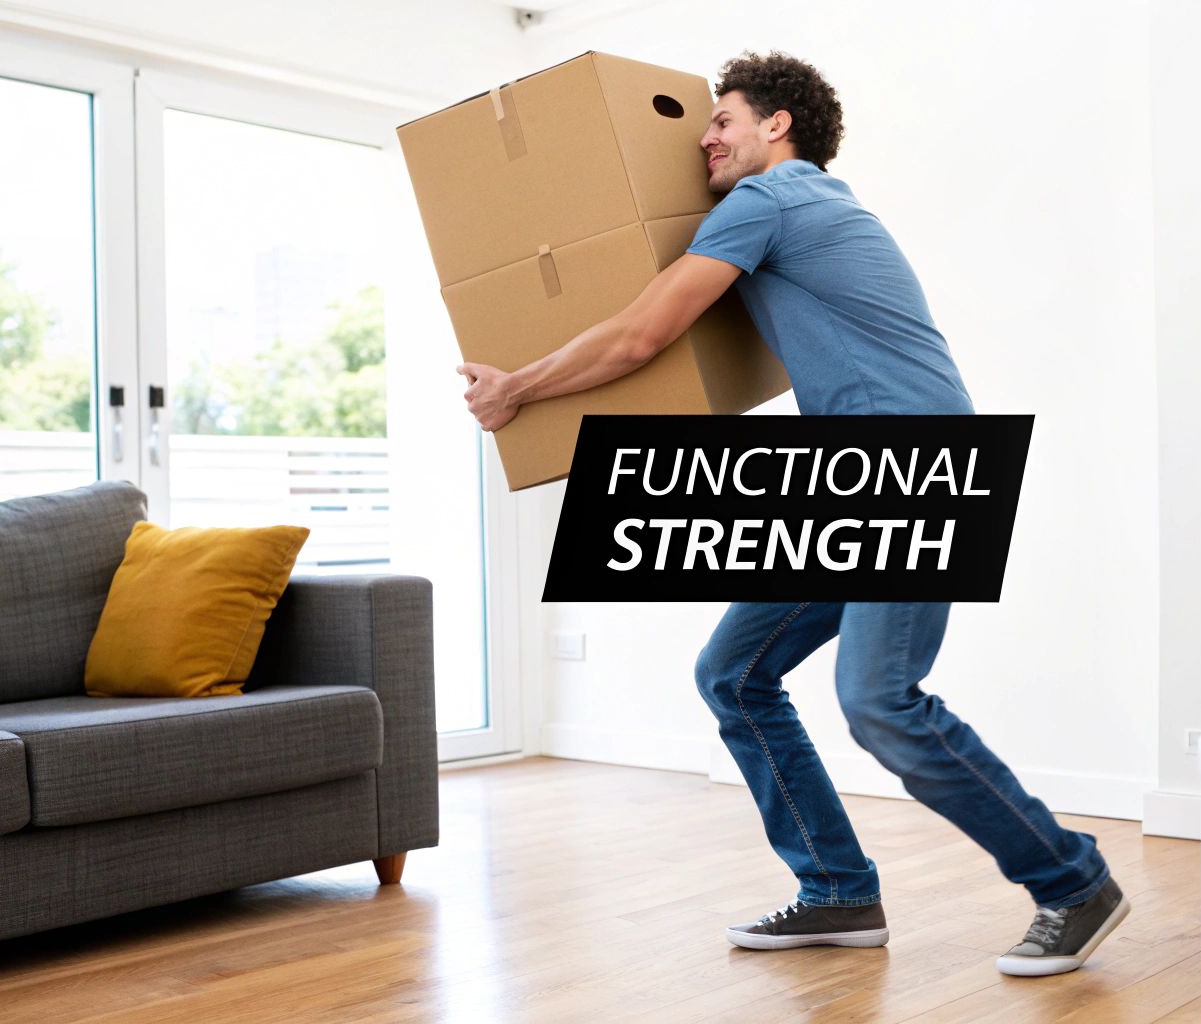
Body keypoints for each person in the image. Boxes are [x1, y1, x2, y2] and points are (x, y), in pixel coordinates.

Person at [458, 50, 1126, 977]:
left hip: (912, 463)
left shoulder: (769, 203)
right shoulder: (816, 207)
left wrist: (517, 390)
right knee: (734, 674)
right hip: (858, 468)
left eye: (723, 119)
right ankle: (839, 893)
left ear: (778, 125)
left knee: (878, 702)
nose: (706, 137)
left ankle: (1071, 879)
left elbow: (645, 331)